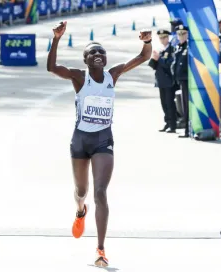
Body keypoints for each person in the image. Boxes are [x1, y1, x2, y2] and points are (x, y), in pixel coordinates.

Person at [46, 21, 152, 267]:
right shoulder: (79, 77)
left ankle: (100, 249)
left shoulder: (112, 75)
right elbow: (51, 67)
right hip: (80, 141)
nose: (97, 54)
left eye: (101, 52)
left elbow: (142, 57)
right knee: (82, 192)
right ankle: (80, 210)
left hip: (103, 140)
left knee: (101, 192)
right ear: (85, 60)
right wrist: (56, 39)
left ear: (105, 59)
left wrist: (147, 41)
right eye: (92, 52)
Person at [148, 29, 178, 133]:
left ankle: (173, 125)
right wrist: (154, 59)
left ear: (167, 38)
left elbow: (170, 64)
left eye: (164, 37)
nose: (162, 40)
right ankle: (167, 122)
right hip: (161, 80)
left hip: (169, 81)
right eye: (160, 38)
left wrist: (159, 58)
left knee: (170, 104)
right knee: (164, 103)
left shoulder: (172, 49)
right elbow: (153, 66)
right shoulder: (160, 49)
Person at [171, 24, 190, 138]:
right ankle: (187, 128)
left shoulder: (189, 47)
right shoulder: (179, 47)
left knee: (187, 106)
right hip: (180, 80)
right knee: (183, 106)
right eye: (179, 34)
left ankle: (188, 130)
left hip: (187, 80)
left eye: (183, 34)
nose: (181, 36)